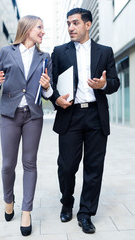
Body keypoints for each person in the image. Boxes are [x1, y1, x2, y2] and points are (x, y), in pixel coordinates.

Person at [50, 8, 120, 234]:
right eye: (68, 23)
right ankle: (67, 202)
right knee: (67, 165)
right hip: (70, 114)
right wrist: (56, 99)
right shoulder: (59, 52)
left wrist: (104, 85)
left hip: (96, 116)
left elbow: (115, 82)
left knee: (94, 168)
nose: (71, 27)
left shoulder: (105, 51)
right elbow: (51, 85)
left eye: (75, 23)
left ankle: (86, 212)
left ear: (88, 25)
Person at [0, 15, 53, 237]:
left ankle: (26, 210)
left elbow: (49, 91)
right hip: (9, 114)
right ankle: (9, 199)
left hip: (33, 116)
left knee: (30, 163)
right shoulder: (7, 52)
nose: (43, 32)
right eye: (40, 28)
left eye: (43, 29)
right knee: (8, 165)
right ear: (27, 29)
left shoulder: (45, 57)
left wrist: (46, 87)